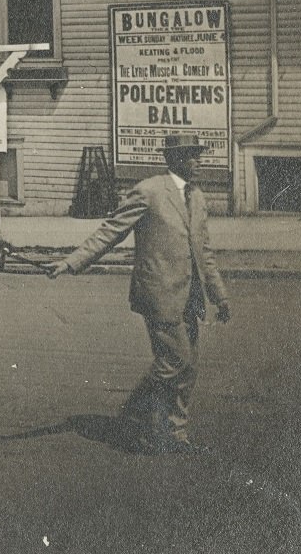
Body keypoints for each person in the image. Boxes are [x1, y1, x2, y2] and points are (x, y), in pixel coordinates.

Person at [45, 133, 231, 454]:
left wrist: (219, 295)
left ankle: (176, 433)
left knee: (188, 367)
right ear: (174, 159)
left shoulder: (197, 197)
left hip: (191, 294)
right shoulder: (149, 191)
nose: (198, 161)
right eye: (191, 155)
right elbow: (109, 232)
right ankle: (133, 419)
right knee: (174, 361)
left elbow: (204, 252)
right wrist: (72, 262)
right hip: (159, 293)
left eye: (198, 155)